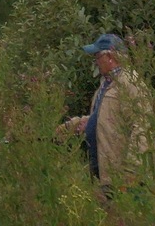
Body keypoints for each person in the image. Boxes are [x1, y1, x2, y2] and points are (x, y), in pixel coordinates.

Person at [58, 32, 149, 189]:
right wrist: (73, 125)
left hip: (121, 177)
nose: (96, 62)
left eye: (98, 57)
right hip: (105, 172)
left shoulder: (130, 84)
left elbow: (142, 127)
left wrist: (132, 171)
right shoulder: (106, 83)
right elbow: (105, 118)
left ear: (111, 57)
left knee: (121, 213)